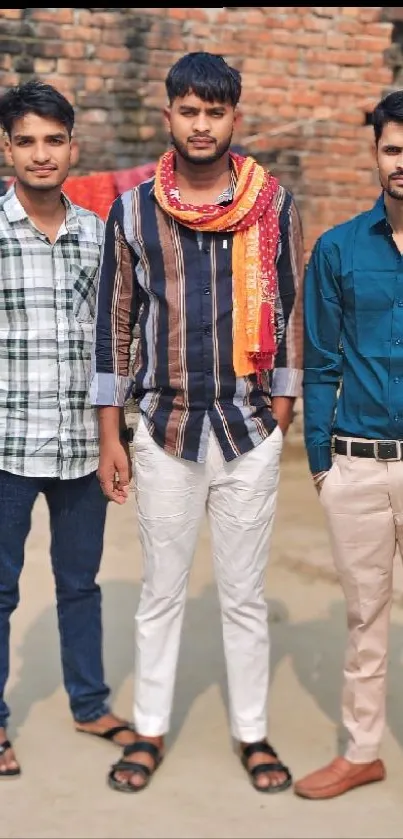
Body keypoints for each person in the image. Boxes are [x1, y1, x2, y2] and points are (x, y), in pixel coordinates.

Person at [91, 51, 304, 794]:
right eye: (189, 110)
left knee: (244, 594)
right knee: (161, 588)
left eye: (215, 112)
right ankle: (148, 728)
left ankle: (251, 731)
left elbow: (288, 304)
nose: (202, 124)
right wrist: (111, 431)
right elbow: (115, 320)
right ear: (169, 115)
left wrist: (279, 409)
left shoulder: (270, 204)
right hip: (164, 429)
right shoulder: (133, 210)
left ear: (232, 119)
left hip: (246, 430)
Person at [0, 80, 136, 779]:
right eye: (26, 140)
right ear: (7, 148)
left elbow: (111, 342)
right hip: (7, 445)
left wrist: (115, 437)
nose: (41, 153)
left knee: (81, 581)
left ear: (72, 148)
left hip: (82, 446)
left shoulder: (96, 234)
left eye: (54, 140)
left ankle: (89, 701)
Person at [295, 89, 403, 800]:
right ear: (374, 154)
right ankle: (363, 749)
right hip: (358, 465)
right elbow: (318, 361)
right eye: (393, 148)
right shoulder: (336, 248)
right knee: (365, 617)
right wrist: (318, 464)